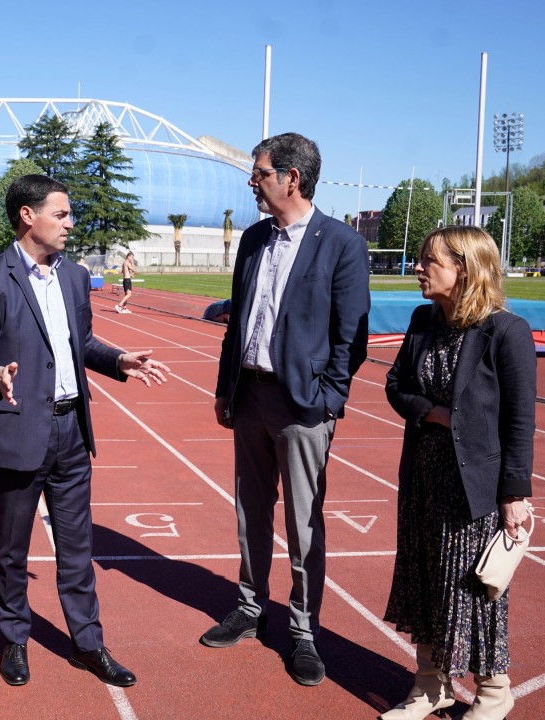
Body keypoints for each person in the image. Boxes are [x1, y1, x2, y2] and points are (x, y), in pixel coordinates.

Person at [0, 174, 172, 689]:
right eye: (62, 213)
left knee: (77, 548)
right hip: (18, 431)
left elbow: (82, 343)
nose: (71, 223)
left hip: (72, 430)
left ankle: (87, 644)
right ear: (28, 216)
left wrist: (118, 360)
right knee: (12, 550)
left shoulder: (75, 277)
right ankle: (14, 638)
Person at [201, 132, 370, 687]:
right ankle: (251, 608)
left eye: (260, 172)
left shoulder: (341, 243)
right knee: (251, 512)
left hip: (303, 405)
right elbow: (239, 324)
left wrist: (329, 399)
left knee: (303, 522)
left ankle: (303, 630)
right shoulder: (254, 239)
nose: (252, 181)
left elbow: (351, 337)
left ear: (291, 178)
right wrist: (225, 388)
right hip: (249, 394)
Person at [380, 226, 534, 720]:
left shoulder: (506, 331)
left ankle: (493, 692)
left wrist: (514, 495)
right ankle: (430, 687)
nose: (418, 268)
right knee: (425, 579)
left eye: (429, 261)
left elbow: (520, 420)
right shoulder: (423, 320)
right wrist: (432, 412)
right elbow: (396, 385)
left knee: (474, 588)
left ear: (464, 268)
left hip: (474, 486)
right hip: (423, 477)